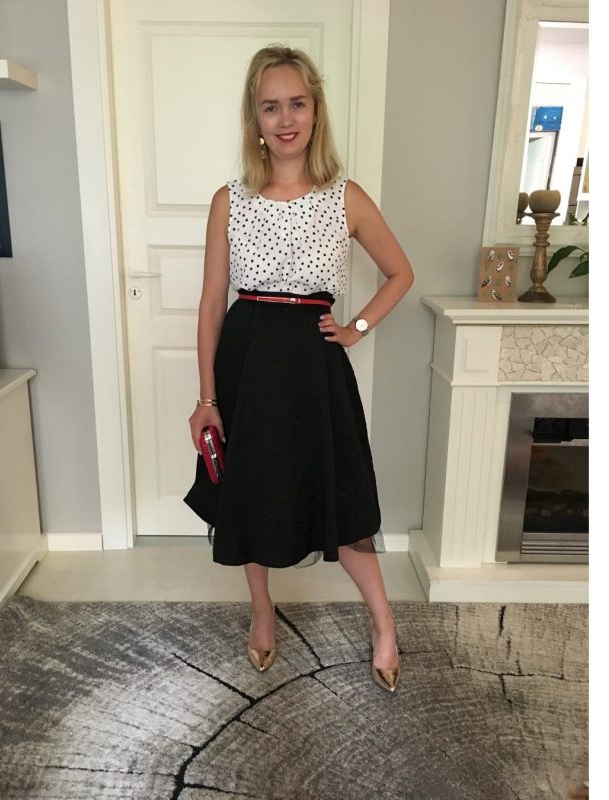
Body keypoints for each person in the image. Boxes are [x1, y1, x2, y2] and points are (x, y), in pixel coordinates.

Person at [184, 44, 414, 693]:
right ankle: (262, 615)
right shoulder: (229, 200)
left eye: (297, 104)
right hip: (246, 363)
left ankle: (385, 624)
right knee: (251, 491)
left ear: (315, 111)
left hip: (316, 370)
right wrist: (207, 398)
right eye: (271, 107)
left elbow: (400, 273)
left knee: (341, 497)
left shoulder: (346, 197)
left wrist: (355, 329)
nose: (285, 119)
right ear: (255, 118)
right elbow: (211, 304)